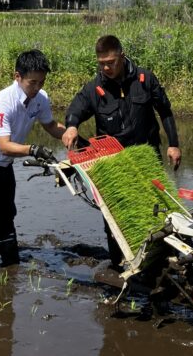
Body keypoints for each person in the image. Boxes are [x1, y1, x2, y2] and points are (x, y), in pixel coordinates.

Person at [61, 34, 181, 266]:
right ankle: (117, 264)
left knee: (153, 208)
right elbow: (75, 110)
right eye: (101, 63)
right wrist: (72, 126)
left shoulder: (145, 79)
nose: (106, 67)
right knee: (114, 215)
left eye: (111, 62)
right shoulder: (95, 88)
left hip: (146, 155)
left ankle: (155, 261)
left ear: (122, 57)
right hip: (112, 161)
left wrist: (174, 144)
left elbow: (165, 111)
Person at [0, 49, 65, 275]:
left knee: (6, 214)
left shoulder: (40, 99)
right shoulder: (2, 103)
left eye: (41, 82)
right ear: (17, 77)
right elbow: (4, 145)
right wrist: (33, 149)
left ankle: (10, 266)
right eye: (32, 82)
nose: (37, 88)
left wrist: (72, 137)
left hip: (3, 165)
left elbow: (50, 125)